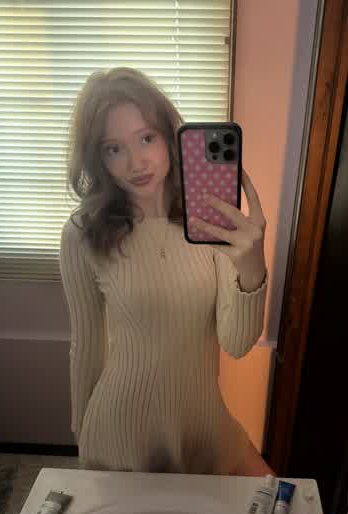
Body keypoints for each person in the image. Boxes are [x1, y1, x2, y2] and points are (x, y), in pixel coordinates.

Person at [60, 67, 275, 477]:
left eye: (146, 138)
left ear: (169, 136)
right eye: (113, 149)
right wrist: (81, 427)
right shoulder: (82, 234)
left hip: (203, 425)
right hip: (120, 431)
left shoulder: (209, 222)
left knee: (279, 508)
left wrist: (252, 269)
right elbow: (86, 345)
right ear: (97, 158)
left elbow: (236, 343)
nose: (136, 162)